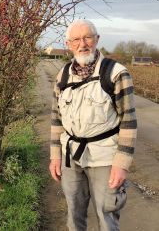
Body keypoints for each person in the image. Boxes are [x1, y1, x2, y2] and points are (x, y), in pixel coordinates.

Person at [49, 19, 137, 231]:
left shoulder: (116, 73)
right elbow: (56, 118)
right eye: (76, 39)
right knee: (73, 213)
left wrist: (121, 163)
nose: (83, 44)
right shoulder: (62, 76)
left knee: (106, 215)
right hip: (71, 157)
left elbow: (129, 120)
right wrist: (55, 155)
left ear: (97, 39)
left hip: (105, 157)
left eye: (88, 37)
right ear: (68, 44)